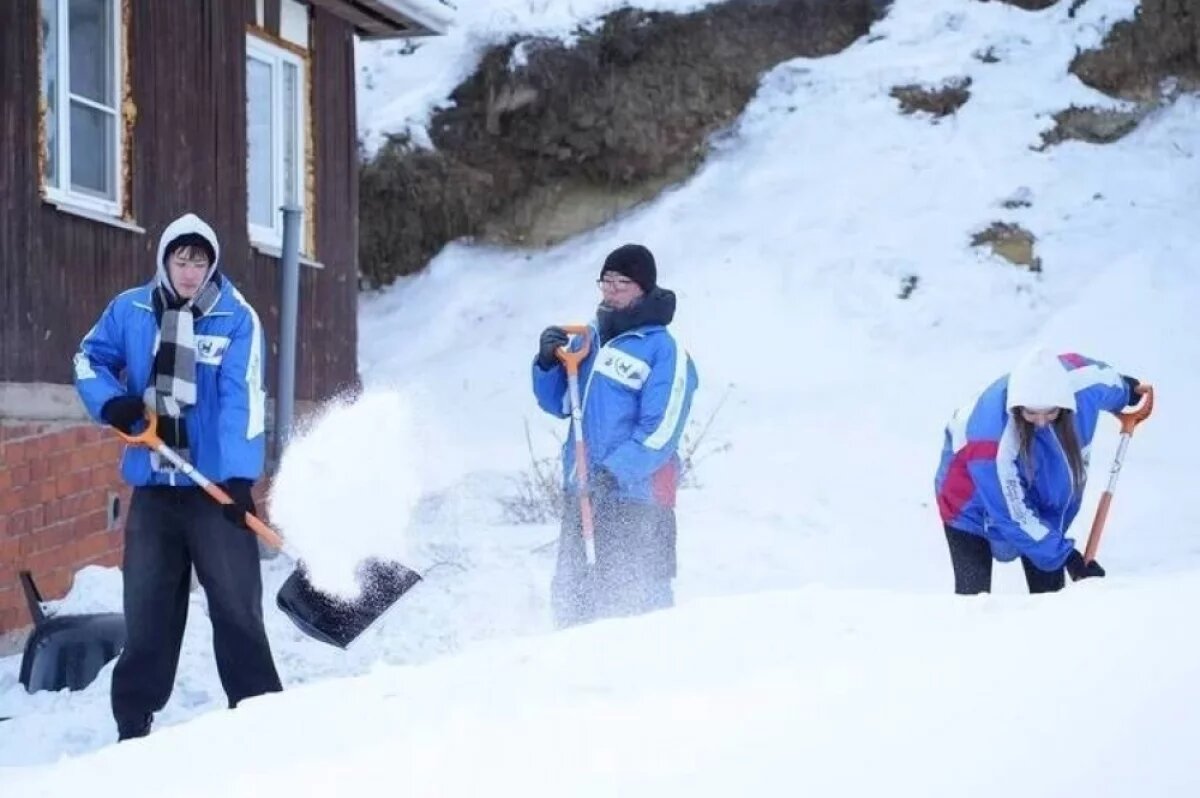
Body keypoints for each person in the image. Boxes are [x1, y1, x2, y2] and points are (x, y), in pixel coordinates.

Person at [73, 212, 282, 740]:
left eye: (201, 262)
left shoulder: (236, 317)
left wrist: (239, 480)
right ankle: (133, 721)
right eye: (182, 260)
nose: (191, 272)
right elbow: (87, 359)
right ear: (166, 260)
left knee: (236, 611)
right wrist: (113, 403)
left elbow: (244, 402)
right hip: (155, 491)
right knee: (147, 614)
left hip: (215, 495)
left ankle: (262, 720)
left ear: (213, 264)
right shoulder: (131, 310)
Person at [532, 243, 699, 628]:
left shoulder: (663, 350)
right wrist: (545, 364)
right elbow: (560, 402)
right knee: (574, 593)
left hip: (638, 497)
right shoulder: (590, 339)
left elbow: (660, 431)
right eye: (605, 281)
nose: (610, 290)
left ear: (643, 288)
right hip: (585, 491)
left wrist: (615, 471)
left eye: (621, 283)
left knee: (637, 599)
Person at [934, 349, 1145, 595]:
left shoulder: (1083, 384)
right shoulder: (991, 440)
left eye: (1051, 412)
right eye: (1031, 413)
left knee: (1051, 599)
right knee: (973, 601)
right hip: (970, 503)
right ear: (1017, 406)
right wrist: (1070, 558)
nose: (1042, 422)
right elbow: (1015, 516)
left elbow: (1106, 379)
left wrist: (1126, 391)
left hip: (1038, 493)